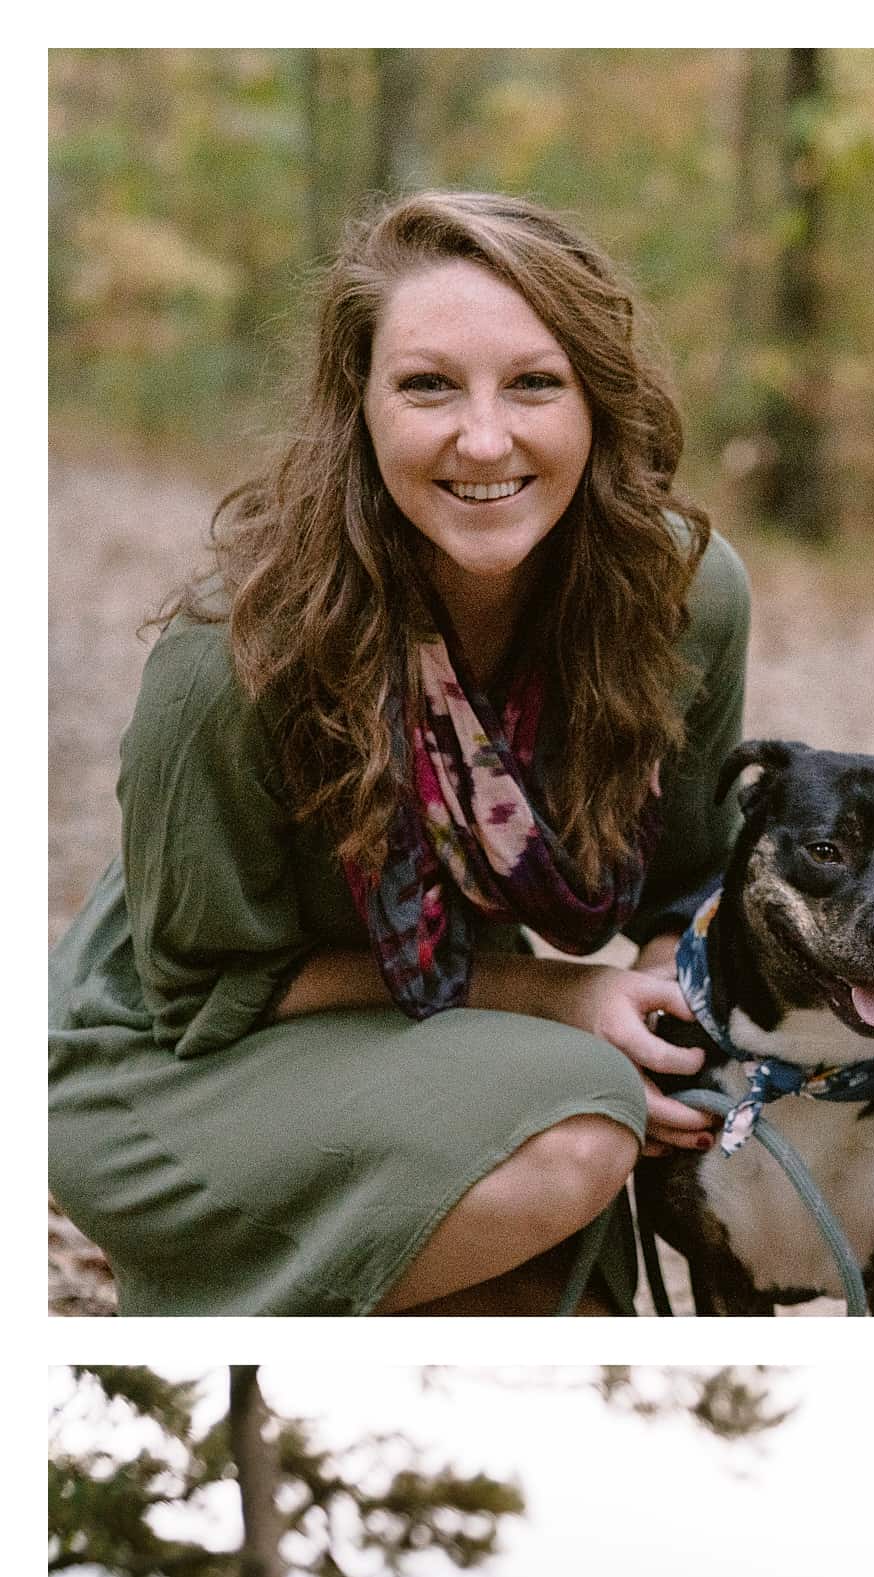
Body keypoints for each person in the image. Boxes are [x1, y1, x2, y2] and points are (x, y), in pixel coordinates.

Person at [48, 189, 746, 1315]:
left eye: (534, 382)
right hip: (178, 1058)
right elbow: (213, 990)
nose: (483, 439)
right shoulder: (234, 657)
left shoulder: (682, 594)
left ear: (599, 404)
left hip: (439, 1035)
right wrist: (557, 996)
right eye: (428, 385)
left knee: (558, 1258)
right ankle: (208, 1303)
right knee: (576, 1125)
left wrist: (667, 1008)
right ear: (357, 409)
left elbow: (688, 877)